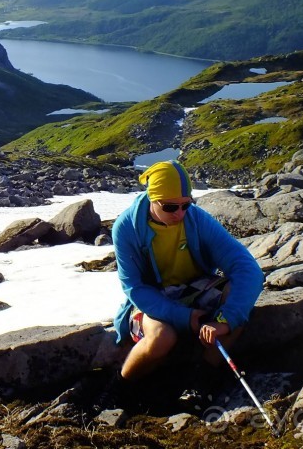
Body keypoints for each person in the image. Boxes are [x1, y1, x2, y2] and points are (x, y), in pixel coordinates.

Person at [109, 160, 264, 402]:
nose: (180, 214)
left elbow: (247, 270)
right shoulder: (126, 227)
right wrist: (184, 317)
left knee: (238, 301)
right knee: (162, 337)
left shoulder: (197, 219)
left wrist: (225, 321)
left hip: (195, 287)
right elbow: (135, 288)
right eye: (170, 207)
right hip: (153, 296)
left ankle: (200, 380)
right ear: (152, 198)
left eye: (185, 205)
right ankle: (119, 388)